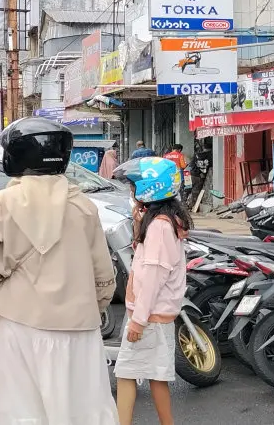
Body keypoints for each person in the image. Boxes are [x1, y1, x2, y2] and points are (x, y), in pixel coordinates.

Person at [0, 117, 118, 425]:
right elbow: (103, 275)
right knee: (81, 410)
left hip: (21, 324)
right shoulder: (84, 205)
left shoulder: (1, 203)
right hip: (79, 329)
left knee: (20, 410)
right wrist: (85, 307)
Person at [112, 157, 192, 425]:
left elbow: (153, 277)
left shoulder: (159, 226)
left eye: (134, 187)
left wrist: (138, 319)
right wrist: (138, 223)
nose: (132, 193)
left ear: (150, 188)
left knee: (126, 373)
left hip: (149, 316)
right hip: (157, 315)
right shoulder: (164, 221)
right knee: (157, 376)